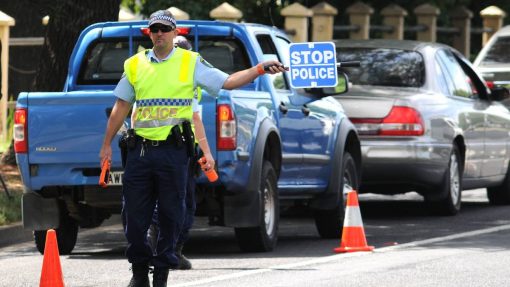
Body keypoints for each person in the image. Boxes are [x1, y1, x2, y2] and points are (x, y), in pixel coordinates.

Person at [99, 10, 286, 287]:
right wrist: (106, 145)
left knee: (171, 216)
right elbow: (120, 107)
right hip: (140, 152)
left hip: (174, 153)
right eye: (155, 30)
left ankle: (160, 274)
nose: (159, 34)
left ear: (176, 34)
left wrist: (259, 68)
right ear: (149, 34)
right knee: (134, 219)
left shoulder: (190, 63)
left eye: (165, 29)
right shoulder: (135, 64)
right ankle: (139, 272)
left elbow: (228, 82)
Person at [146, 35, 206, 271]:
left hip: (151, 149)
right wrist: (206, 152)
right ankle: (171, 251)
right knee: (183, 203)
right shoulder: (188, 81)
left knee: (158, 202)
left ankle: (158, 251)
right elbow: (196, 117)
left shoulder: (149, 75)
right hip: (181, 150)